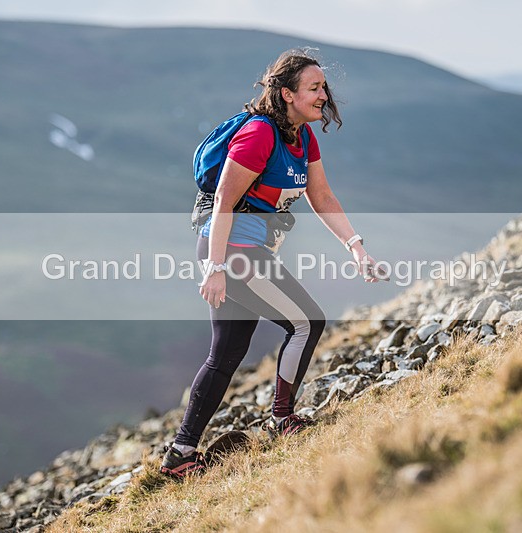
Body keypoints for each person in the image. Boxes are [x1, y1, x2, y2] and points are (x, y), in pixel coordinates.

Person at [161, 48, 385, 479]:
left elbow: (322, 197)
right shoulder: (260, 134)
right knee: (307, 322)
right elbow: (224, 201)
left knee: (225, 354)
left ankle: (180, 455)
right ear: (286, 94)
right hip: (232, 253)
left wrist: (355, 246)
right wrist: (215, 267)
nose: (324, 95)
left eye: (324, 87)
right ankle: (282, 420)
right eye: (314, 88)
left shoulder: (303, 137)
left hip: (245, 253)